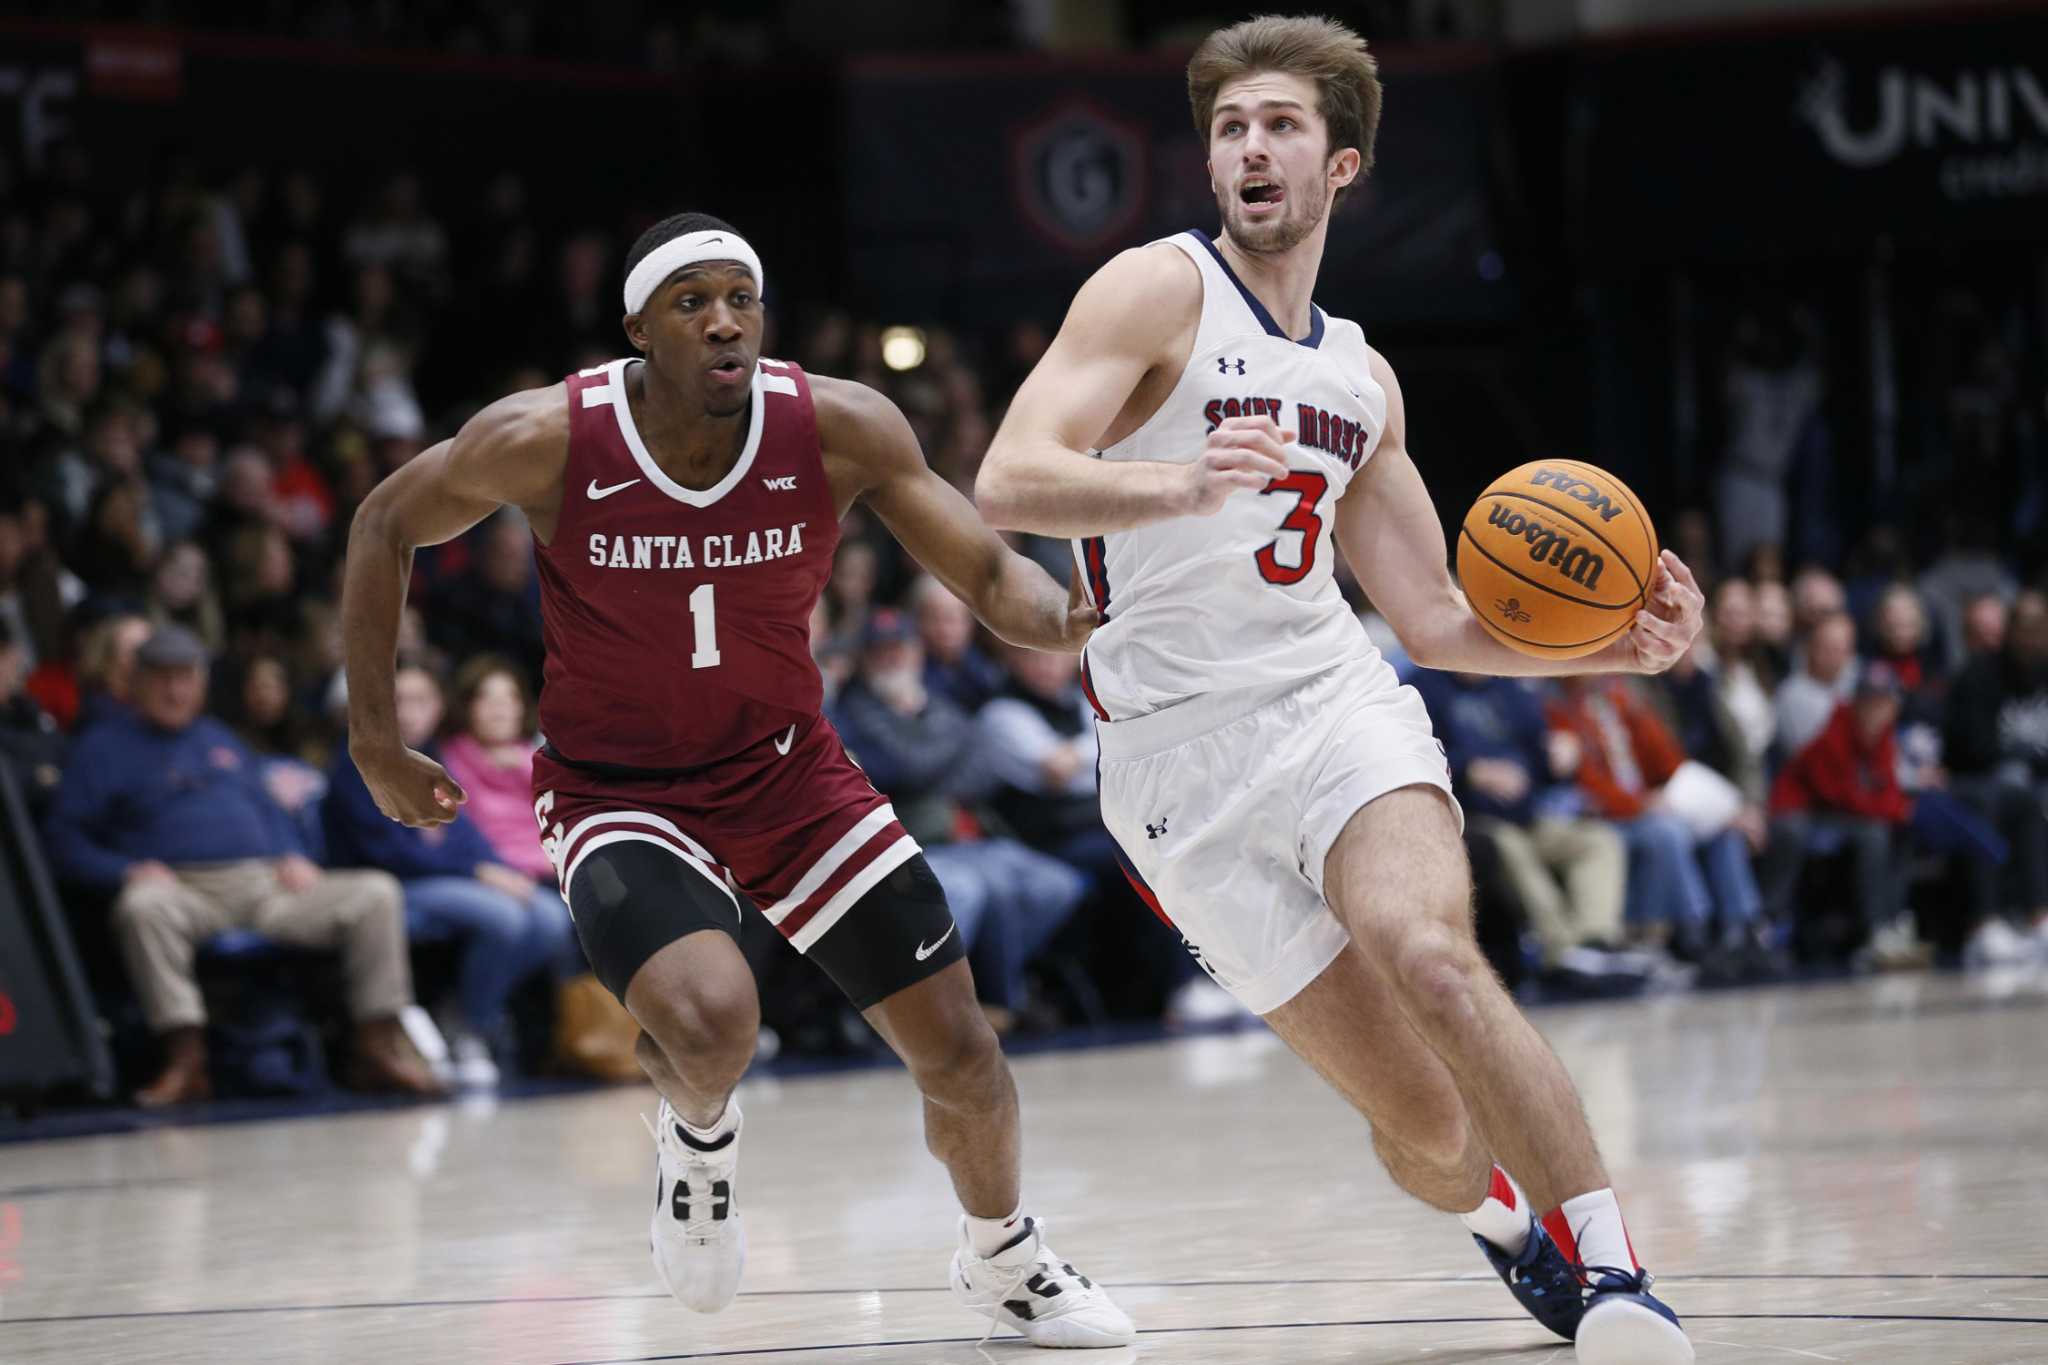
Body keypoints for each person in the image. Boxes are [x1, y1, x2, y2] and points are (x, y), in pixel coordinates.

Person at [975, 16, 1703, 1361]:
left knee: (1432, 953)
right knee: (1427, 1130)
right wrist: (1172, 485)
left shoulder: (1362, 377)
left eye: (1281, 125)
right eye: (1231, 127)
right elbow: (1008, 476)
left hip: (1331, 704)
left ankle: (1616, 1277)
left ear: (1343, 162)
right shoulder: (1153, 291)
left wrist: (1622, 648)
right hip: (1172, 772)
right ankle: (1500, 1217)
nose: (1250, 147)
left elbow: (1432, 617)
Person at [341, 214, 1130, 1345]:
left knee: (960, 1049)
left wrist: (1068, 619)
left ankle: (1002, 1255)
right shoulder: (548, 438)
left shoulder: (842, 426)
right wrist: (375, 737)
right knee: (712, 1024)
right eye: (691, 301)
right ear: (637, 329)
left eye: (741, 300)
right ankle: (697, 1134)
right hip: (619, 789)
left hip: (787, 771)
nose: (723, 322)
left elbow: (990, 576)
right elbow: (382, 522)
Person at [42, 624, 438, 1106]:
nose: (175, 689)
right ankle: (186, 1060)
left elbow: (271, 810)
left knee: (375, 892)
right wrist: (122, 871)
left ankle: (377, 1049)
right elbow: (63, 842)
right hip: (184, 891)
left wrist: (294, 853)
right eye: (162, 677)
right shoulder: (102, 747)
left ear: (202, 683)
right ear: (136, 681)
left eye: (185, 676)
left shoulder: (219, 738)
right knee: (142, 906)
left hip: (266, 887)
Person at [326, 661, 574, 1088]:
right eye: (398, 701)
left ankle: (465, 1014)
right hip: (391, 889)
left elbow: (464, 832)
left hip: (447, 882)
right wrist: (477, 871)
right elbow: (390, 852)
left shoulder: (433, 758)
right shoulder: (359, 763)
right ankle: (471, 1033)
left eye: (420, 701)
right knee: (505, 917)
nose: (408, 712)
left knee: (551, 918)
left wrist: (491, 868)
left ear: (438, 707)